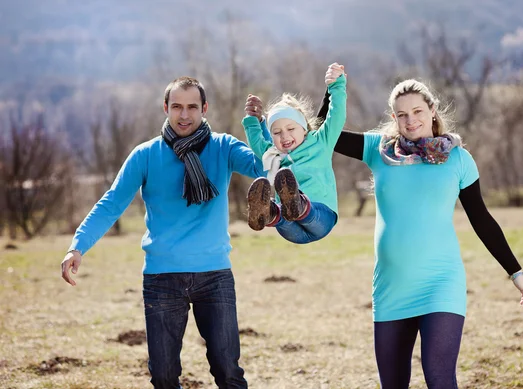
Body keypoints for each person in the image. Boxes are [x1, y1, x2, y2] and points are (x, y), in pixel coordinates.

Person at [319, 79, 523, 388]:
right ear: (394, 118)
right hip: (391, 287)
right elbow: (324, 134)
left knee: (439, 379)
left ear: (433, 111)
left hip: (441, 283)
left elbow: (482, 220)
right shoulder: (377, 149)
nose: (411, 121)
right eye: (402, 115)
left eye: (418, 111)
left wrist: (516, 273)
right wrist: (333, 89)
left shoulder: (459, 159)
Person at [60, 76, 264, 389]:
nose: (185, 115)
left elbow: (264, 167)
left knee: (228, 372)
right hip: (162, 279)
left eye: (192, 107)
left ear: (204, 108)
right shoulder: (145, 155)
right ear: (165, 108)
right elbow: (111, 203)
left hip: (215, 275)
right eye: (177, 107)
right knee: (164, 376)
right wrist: (78, 246)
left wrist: (259, 128)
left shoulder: (223, 147)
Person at [241, 62, 347, 244]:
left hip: (321, 216)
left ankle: (298, 204)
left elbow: (336, 114)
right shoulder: (274, 154)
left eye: (291, 128)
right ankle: (268, 213)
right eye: (276, 132)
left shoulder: (321, 141)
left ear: (304, 128)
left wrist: (337, 85)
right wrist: (254, 119)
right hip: (291, 228)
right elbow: (258, 143)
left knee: (301, 209)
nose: (285, 136)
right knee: (281, 216)